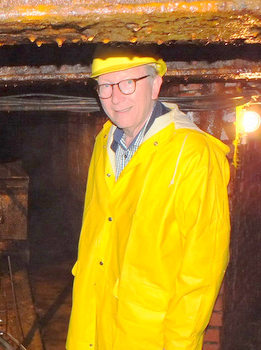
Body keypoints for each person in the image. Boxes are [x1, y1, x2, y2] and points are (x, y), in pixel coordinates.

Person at [66, 46, 230, 350]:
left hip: (149, 338)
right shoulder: (104, 143)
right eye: (104, 86)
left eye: (127, 83)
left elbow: (202, 273)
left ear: (155, 85)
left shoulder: (193, 155)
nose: (115, 97)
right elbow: (95, 239)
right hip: (93, 327)